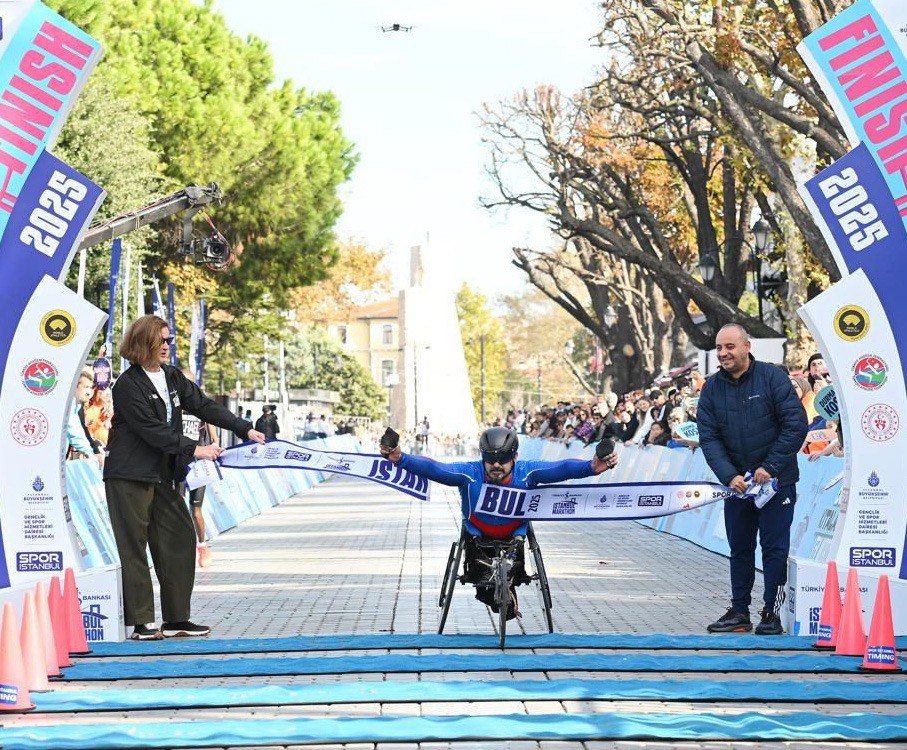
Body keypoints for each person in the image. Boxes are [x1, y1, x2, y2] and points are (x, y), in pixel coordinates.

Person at [104, 315, 266, 641]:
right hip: (129, 475)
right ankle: (141, 623)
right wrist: (196, 449)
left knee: (179, 538)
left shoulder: (173, 377)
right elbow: (152, 431)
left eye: (169, 340)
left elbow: (203, 405)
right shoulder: (127, 385)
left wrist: (243, 428)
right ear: (143, 343)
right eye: (161, 340)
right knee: (134, 547)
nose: (167, 345)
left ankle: (177, 618)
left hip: (163, 475)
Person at [380, 426, 618, 619]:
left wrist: (591, 467)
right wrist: (400, 458)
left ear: (514, 456)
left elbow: (562, 468)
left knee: (506, 585)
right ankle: (498, 595)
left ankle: (509, 587)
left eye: (503, 460)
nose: (496, 465)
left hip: (514, 535)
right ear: (482, 457)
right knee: (485, 589)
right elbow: (435, 468)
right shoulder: (470, 472)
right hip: (477, 536)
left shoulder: (527, 472)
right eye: (490, 460)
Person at [697, 324, 808, 636]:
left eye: (730, 347)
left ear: (746, 346)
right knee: (740, 548)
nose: (723, 354)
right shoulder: (711, 388)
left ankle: (771, 612)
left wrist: (770, 466)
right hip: (738, 487)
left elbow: (795, 425)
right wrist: (729, 475)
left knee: (774, 548)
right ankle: (740, 611)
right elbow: (709, 438)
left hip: (777, 482)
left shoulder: (772, 377)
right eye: (719, 348)